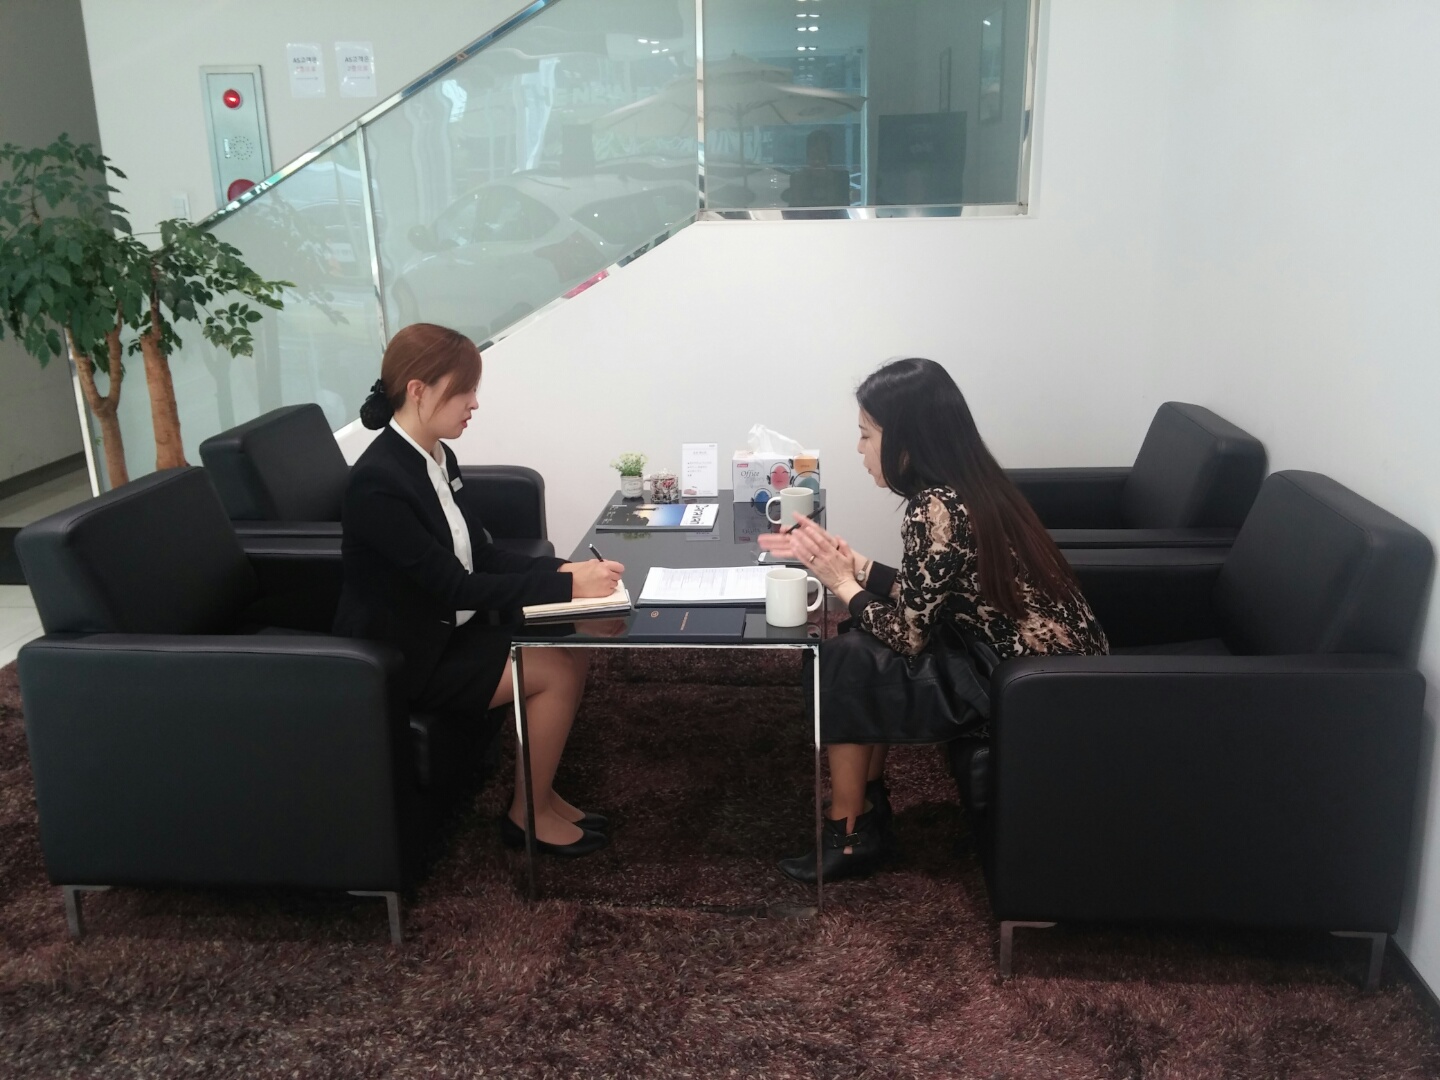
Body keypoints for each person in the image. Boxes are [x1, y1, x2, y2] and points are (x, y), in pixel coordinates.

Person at [759, 357, 1109, 882]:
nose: (859, 449)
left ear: (906, 441)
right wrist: (855, 566)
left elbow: (909, 632)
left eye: (866, 434)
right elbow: (933, 592)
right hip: (1037, 662)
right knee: (857, 638)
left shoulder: (935, 507)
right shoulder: (970, 484)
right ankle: (866, 814)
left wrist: (841, 584)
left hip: (1032, 686)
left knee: (845, 661)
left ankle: (850, 834)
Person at [334, 322, 625, 857]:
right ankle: (527, 818)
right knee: (555, 670)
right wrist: (566, 585)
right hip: (409, 655)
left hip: (451, 632)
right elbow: (455, 586)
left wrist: (568, 571)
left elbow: (482, 554)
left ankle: (541, 795)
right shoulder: (378, 481)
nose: (474, 403)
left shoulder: (437, 457)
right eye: (464, 390)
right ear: (418, 390)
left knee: (575, 638)